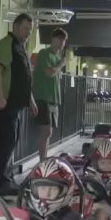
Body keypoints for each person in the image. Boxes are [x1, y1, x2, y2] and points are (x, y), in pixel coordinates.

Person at [0, 14, 38, 194]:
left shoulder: (20, 47)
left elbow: (24, 76)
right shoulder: (6, 45)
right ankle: (3, 184)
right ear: (16, 26)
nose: (28, 33)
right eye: (26, 29)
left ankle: (7, 180)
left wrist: (30, 100)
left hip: (15, 104)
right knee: (6, 142)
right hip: (6, 103)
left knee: (11, 141)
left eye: (30, 30)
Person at [32, 28, 70, 161]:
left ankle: (44, 159)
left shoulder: (58, 56)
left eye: (64, 40)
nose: (62, 42)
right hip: (43, 96)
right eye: (60, 39)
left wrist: (60, 63)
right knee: (46, 131)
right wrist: (61, 64)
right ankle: (42, 161)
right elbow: (49, 73)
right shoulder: (44, 53)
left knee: (49, 133)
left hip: (54, 99)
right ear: (53, 39)